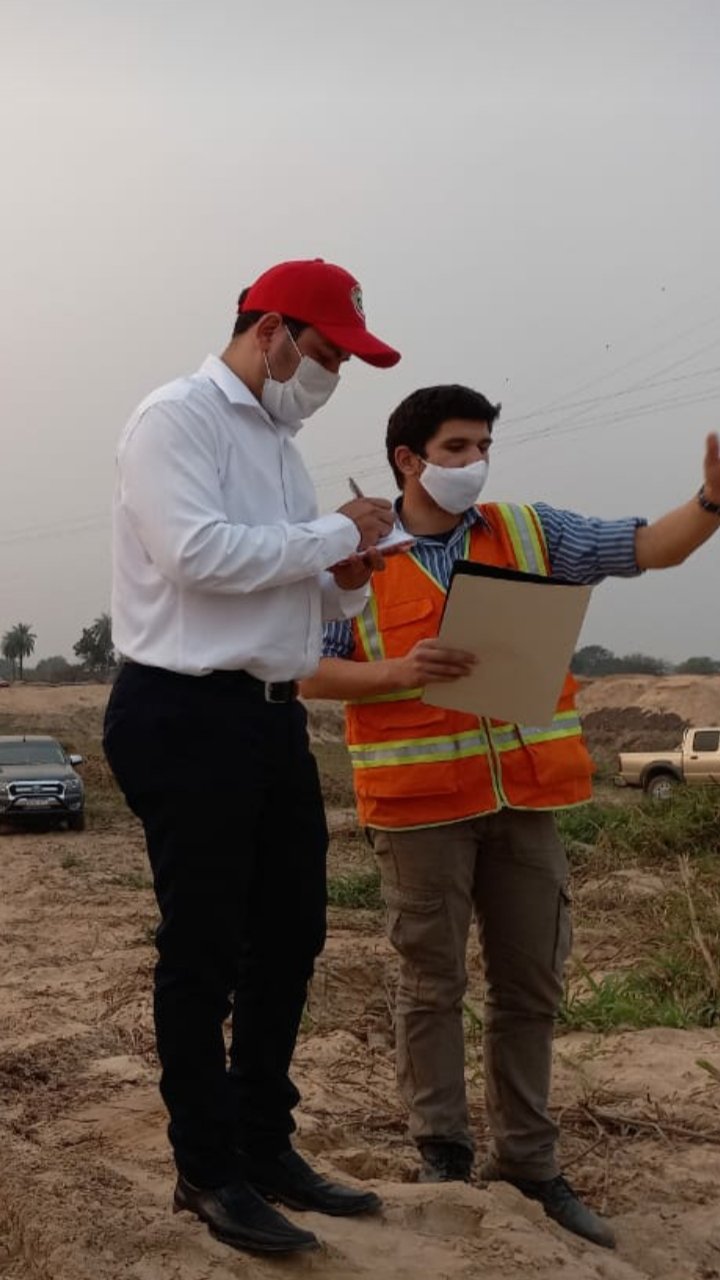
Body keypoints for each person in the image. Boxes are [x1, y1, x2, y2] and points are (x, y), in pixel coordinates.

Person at [300, 383, 720, 1250]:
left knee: (529, 987)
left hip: (525, 801)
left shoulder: (530, 533)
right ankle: (443, 1156)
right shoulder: (354, 554)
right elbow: (304, 668)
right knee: (431, 985)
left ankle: (529, 1162)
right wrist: (399, 672)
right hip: (419, 810)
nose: (475, 463)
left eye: (483, 446)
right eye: (456, 447)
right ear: (408, 459)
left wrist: (711, 503)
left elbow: (647, 546)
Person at [103, 259, 401, 1255]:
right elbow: (197, 555)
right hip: (183, 708)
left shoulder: (280, 445)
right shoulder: (175, 420)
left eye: (344, 365)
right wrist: (327, 533)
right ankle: (207, 1166)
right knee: (205, 946)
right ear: (269, 331)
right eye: (325, 354)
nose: (330, 378)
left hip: (271, 713)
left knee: (290, 935)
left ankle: (265, 1140)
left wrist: (347, 570)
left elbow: (297, 586)